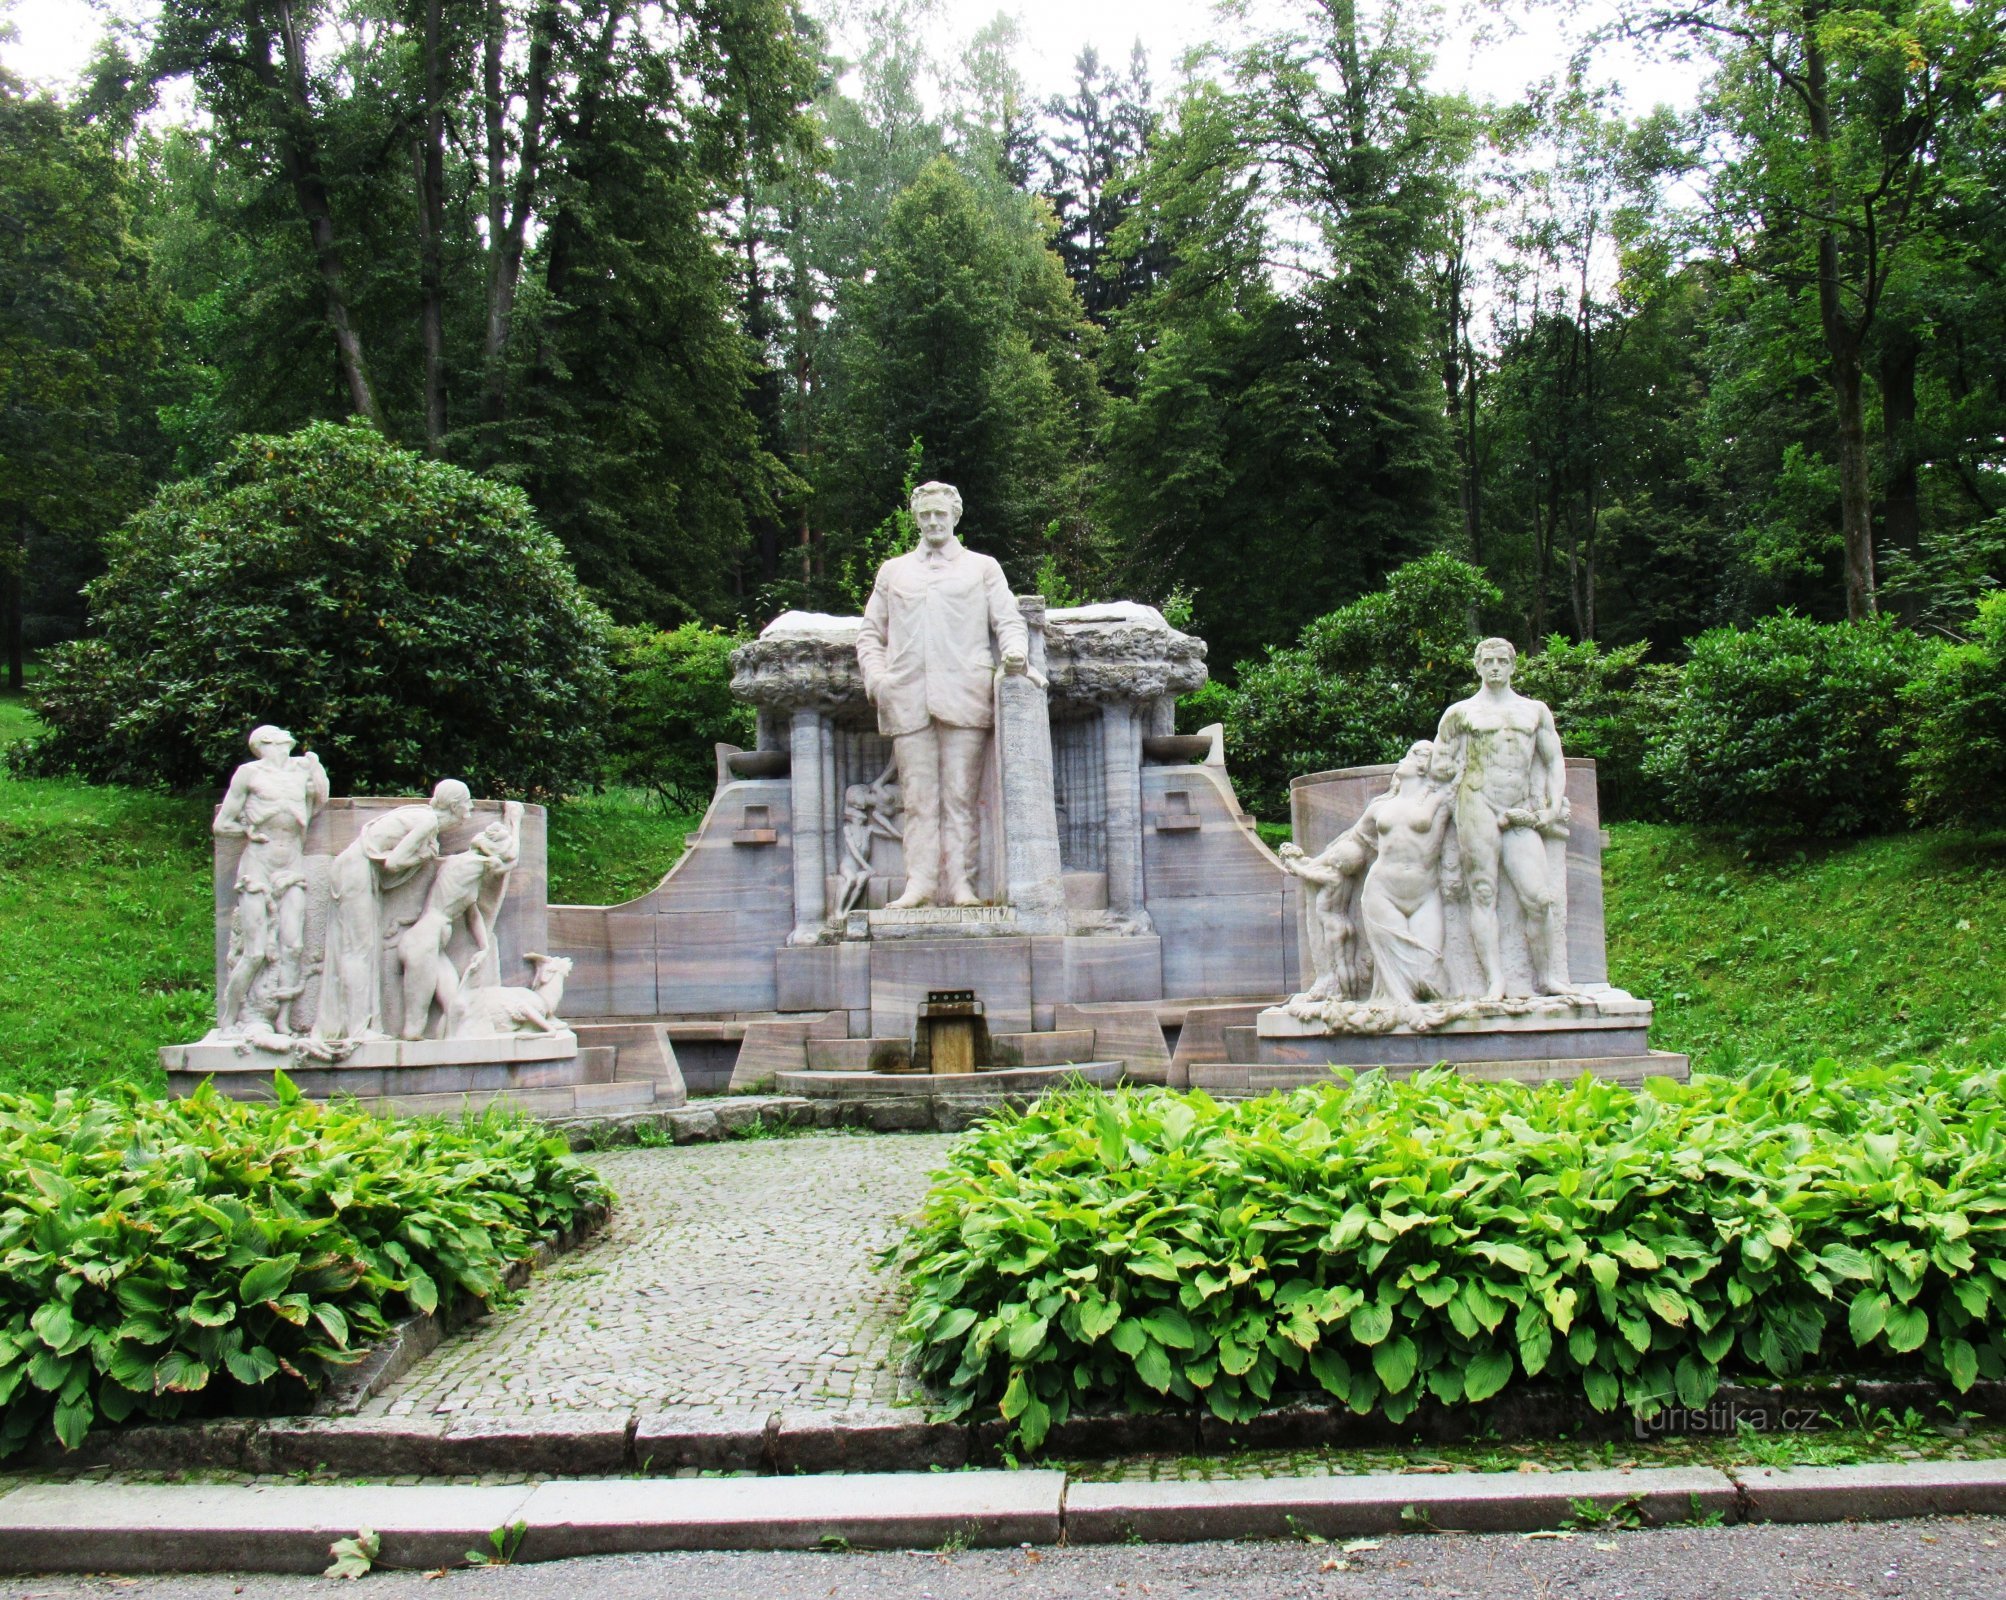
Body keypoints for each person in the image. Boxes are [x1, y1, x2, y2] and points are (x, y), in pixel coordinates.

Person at [855, 481, 1027, 907]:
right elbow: (869, 635)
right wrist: (878, 681)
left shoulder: (982, 567)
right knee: (917, 801)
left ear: (955, 516)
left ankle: (961, 885)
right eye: (925, 514)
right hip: (906, 698)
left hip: (964, 696)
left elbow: (1008, 620)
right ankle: (920, 886)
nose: (933, 521)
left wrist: (1015, 652)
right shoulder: (893, 572)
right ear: (915, 517)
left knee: (960, 800)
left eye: (940, 514)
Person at [1433, 638, 1574, 998]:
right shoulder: (1460, 712)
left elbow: (1554, 760)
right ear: (1477, 666)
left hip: (1520, 809)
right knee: (1482, 892)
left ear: (1513, 666)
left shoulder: (1535, 711)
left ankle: (1546, 976)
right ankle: (1495, 980)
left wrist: (1553, 807)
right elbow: (1439, 763)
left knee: (1539, 899)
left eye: (1501, 661)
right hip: (1477, 802)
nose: (1495, 667)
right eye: (1488, 661)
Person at [315, 779, 473, 1040]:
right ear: (455, 806)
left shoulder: (426, 821)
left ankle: (361, 1025)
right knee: (358, 951)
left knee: (362, 949)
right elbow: (393, 863)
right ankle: (358, 1029)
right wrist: (424, 856)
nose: (471, 806)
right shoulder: (428, 822)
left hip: (359, 872)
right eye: (467, 801)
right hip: (355, 871)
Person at [213, 726, 329, 1035]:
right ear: (265, 742)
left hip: (292, 863)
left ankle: (283, 1019)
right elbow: (222, 824)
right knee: (256, 951)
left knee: (293, 945)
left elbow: (321, 799)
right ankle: (230, 1018)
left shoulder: (301, 771)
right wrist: (246, 830)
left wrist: (316, 767)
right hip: (258, 866)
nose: (287, 735)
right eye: (279, 733)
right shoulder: (249, 773)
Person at [396, 801, 524, 1040]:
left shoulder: (465, 865)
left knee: (457, 1007)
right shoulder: (474, 864)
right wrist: (515, 820)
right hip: (423, 944)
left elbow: (472, 912)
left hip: (434, 949)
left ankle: (451, 1057)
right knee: (413, 1029)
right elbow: (511, 858)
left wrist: (484, 947)